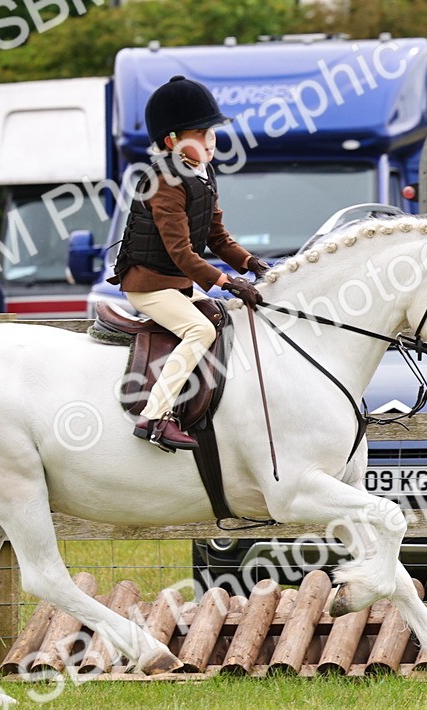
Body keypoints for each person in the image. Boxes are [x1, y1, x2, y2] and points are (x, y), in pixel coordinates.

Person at [109, 75, 270, 451]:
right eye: (203, 133)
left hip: (175, 285)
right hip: (147, 285)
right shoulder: (165, 179)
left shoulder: (202, 172)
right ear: (173, 142)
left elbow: (216, 237)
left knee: (222, 317)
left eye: (211, 131)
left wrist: (251, 263)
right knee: (201, 331)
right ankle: (155, 417)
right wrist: (227, 281)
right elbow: (181, 252)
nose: (212, 140)